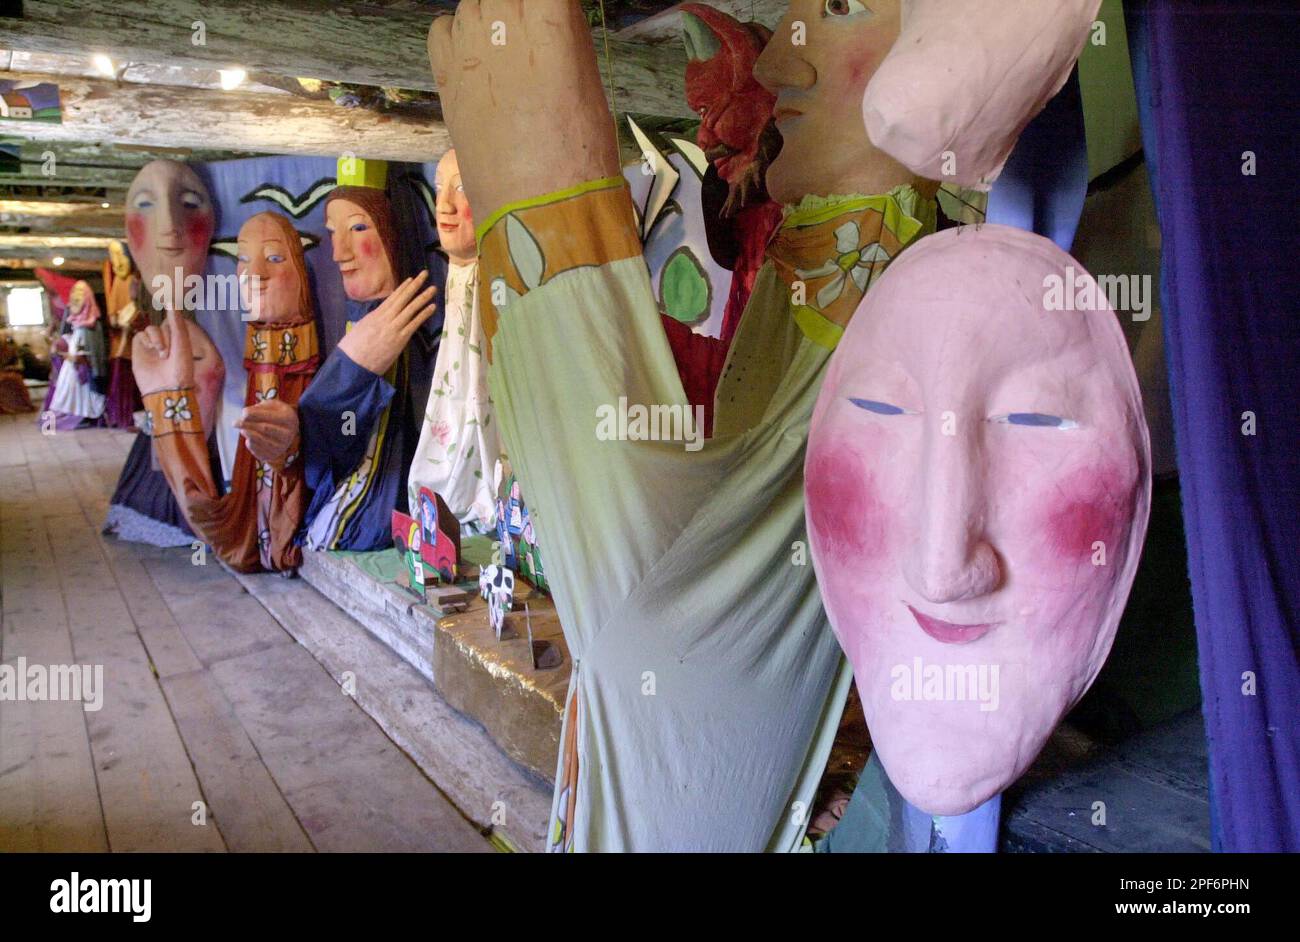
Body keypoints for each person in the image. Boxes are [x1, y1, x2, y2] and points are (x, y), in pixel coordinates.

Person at [429, 0, 936, 851]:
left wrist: (555, 226)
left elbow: (697, 622)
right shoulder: (819, 275)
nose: (778, 67)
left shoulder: (924, 306)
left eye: (842, 6)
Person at [131, 211, 323, 573]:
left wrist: (292, 452)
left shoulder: (321, 385)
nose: (255, 275)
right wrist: (169, 402)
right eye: (244, 260)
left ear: (301, 273)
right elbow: (221, 526)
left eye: (276, 258)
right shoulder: (240, 523)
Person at [289, 159, 442, 552]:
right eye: (332, 233)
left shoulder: (402, 329)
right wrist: (351, 368)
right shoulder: (358, 326)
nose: (339, 253)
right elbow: (333, 444)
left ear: (394, 233)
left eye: (358, 228)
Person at [106, 159, 225, 547]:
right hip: (173, 420)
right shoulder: (157, 317)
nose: (169, 228)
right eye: (146, 205)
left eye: (190, 203)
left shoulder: (201, 318)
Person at [406, 148, 502, 531]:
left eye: (461, 188)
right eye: (439, 186)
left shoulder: (499, 276)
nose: (443, 204)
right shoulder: (457, 272)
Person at [45, 280, 107, 427]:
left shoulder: (93, 324)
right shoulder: (75, 321)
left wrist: (73, 357)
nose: (76, 299)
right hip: (73, 364)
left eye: (81, 295)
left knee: (80, 394)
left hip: (83, 368)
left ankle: (85, 416)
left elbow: (91, 352)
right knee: (67, 394)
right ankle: (77, 416)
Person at [103, 239, 143, 429]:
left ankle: (136, 417)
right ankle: (122, 415)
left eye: (121, 256)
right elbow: (112, 314)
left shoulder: (137, 278)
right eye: (114, 258)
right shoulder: (119, 281)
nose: (118, 262)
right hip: (121, 341)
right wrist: (116, 319)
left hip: (137, 340)